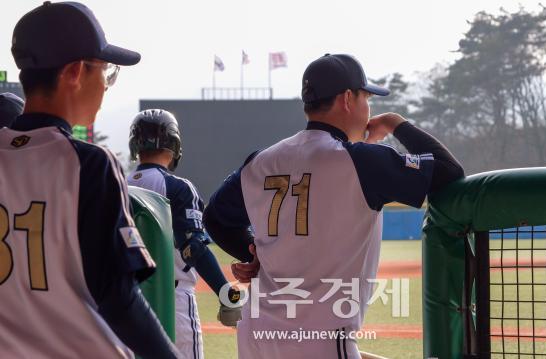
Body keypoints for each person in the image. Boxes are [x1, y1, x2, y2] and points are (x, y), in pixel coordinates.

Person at [203, 53, 465, 359]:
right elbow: (450, 172)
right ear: (347, 99)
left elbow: (216, 218)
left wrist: (251, 250)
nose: (370, 108)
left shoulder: (261, 160)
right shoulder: (360, 161)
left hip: (257, 335)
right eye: (367, 97)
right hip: (322, 339)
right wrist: (395, 123)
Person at [0, 2, 178, 358]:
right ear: (75, 72)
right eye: (106, 71)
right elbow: (118, 297)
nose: (107, 84)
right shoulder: (87, 164)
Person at [127, 109, 243, 359]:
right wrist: (226, 293)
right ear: (174, 144)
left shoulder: (117, 183)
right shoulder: (178, 187)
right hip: (171, 300)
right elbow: (194, 248)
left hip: (125, 302)